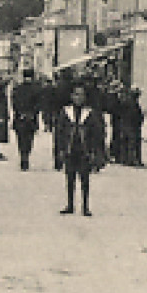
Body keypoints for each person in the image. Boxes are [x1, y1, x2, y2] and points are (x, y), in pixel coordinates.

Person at [58, 82, 106, 216]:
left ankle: (85, 206)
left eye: (81, 95)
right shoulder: (65, 112)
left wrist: (96, 152)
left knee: (85, 178)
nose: (78, 98)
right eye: (76, 95)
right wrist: (60, 150)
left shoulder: (90, 113)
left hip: (85, 150)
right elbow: (59, 133)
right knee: (70, 177)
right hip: (70, 149)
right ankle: (70, 204)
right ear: (71, 96)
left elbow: (97, 133)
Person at [11, 72, 41, 171]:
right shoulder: (36, 89)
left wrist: (20, 113)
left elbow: (14, 103)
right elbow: (38, 104)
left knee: (20, 138)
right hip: (31, 118)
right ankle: (26, 155)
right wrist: (32, 113)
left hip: (20, 118)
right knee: (29, 138)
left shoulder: (17, 89)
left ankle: (23, 156)